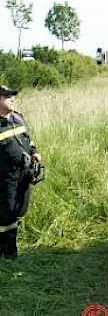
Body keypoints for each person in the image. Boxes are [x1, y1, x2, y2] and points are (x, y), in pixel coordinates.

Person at [0, 85, 42, 259]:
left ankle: (12, 244)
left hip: (24, 174)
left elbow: (29, 141)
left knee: (19, 210)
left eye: (13, 96)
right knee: (7, 215)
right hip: (5, 178)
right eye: (7, 96)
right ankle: (8, 254)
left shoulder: (18, 118)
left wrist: (35, 152)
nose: (12, 99)